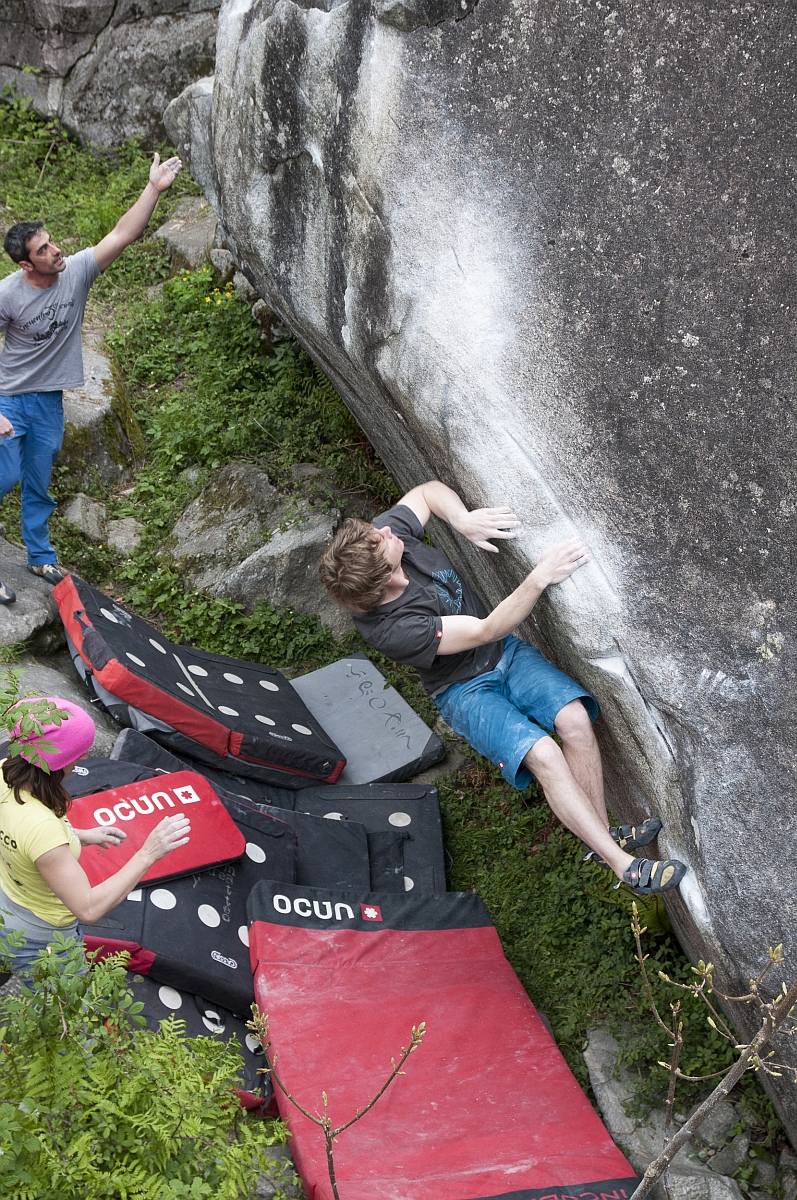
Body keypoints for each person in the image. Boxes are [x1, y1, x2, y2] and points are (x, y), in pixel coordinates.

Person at [319, 480, 687, 895]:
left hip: (504, 654)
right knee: (544, 753)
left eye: (379, 530)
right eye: (380, 538)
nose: (385, 529)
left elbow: (426, 493)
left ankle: (604, 838)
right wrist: (541, 575)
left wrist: (463, 521)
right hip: (464, 690)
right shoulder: (393, 628)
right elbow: (485, 627)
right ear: (384, 577)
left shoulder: (386, 539)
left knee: (575, 719)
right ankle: (626, 868)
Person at [0, 152, 183, 603]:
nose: (55, 250)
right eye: (43, 250)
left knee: (38, 481)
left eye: (51, 242)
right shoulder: (7, 294)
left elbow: (123, 233)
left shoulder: (76, 271)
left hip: (47, 402)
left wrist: (154, 189)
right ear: (27, 265)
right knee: (2, 477)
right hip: (9, 398)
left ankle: (39, 556)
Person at [0, 697, 190, 978]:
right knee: (61, 1009)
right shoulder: (42, 829)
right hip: (42, 939)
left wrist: (78, 836)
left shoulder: (4, 771)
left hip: (9, 906)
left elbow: (19, 833)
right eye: (78, 753)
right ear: (56, 760)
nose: (85, 758)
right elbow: (88, 908)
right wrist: (149, 852)